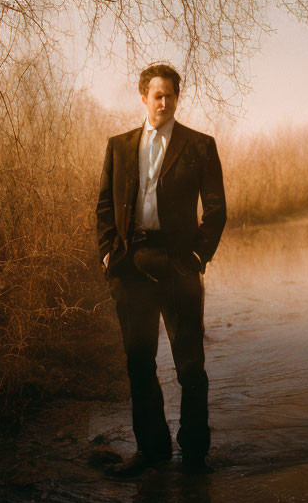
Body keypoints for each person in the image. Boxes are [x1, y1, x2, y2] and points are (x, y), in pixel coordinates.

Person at [96, 63, 226, 477]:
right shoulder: (118, 146)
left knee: (190, 366)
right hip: (131, 267)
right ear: (143, 97)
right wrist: (107, 255)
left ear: (176, 97)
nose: (164, 102)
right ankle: (152, 452)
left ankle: (193, 456)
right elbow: (102, 207)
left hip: (179, 267)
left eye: (170, 94)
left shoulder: (200, 145)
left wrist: (197, 257)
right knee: (139, 363)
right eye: (157, 95)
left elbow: (217, 210)